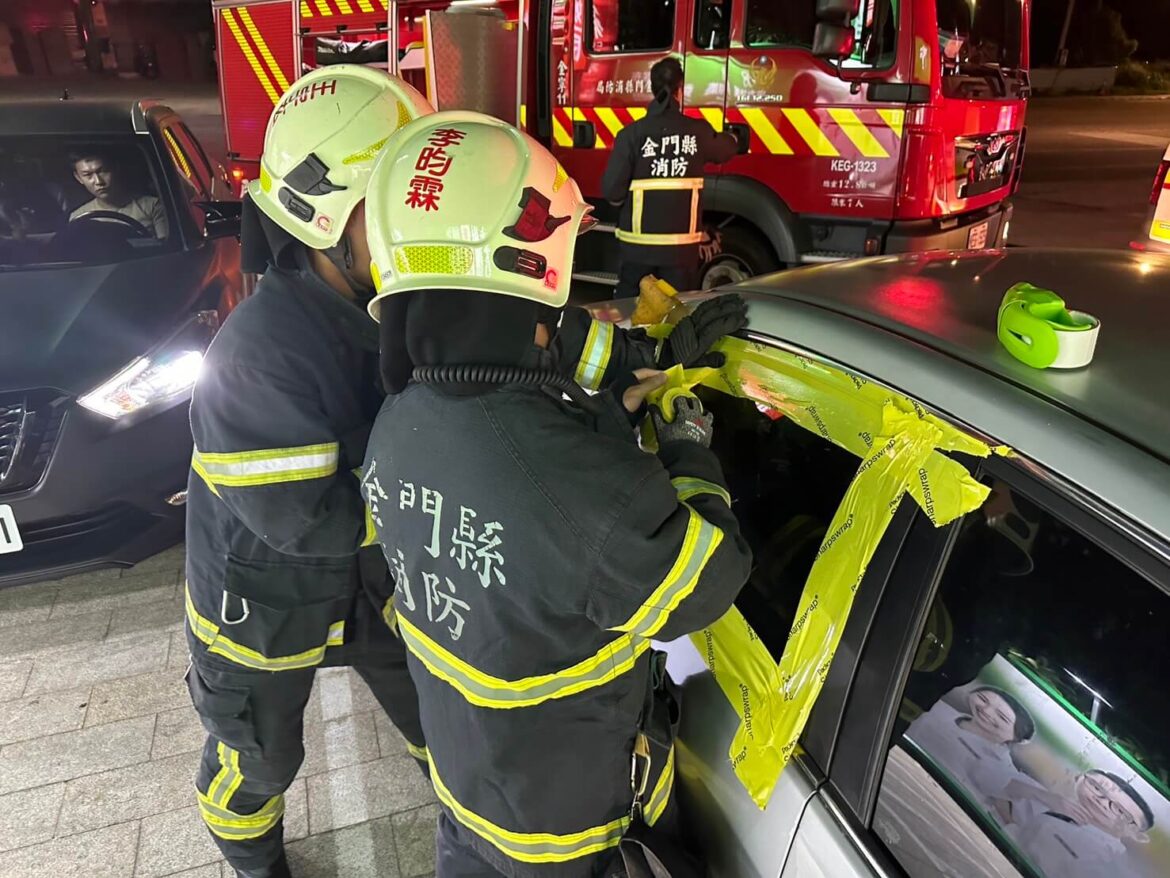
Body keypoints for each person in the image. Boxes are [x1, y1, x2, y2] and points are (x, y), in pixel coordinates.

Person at [361, 110, 753, 878]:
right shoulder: (573, 487)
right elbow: (708, 579)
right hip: (562, 831)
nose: (560, 318)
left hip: (467, 788)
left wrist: (623, 393)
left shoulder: (398, 421)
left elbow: (521, 469)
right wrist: (687, 446)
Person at [183, 65, 434, 878]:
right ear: (325, 214)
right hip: (263, 599)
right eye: (390, 203)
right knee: (258, 758)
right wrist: (452, 489)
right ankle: (252, 857)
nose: (414, 222)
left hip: (373, 583)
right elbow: (311, 520)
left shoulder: (396, 301)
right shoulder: (258, 356)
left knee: (445, 721)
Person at [601, 57, 739, 299]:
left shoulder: (631, 135)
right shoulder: (697, 132)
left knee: (631, 311)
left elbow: (612, 190)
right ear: (680, 89)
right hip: (680, 254)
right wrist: (734, 138)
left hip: (637, 251)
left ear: (653, 89)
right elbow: (725, 149)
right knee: (676, 312)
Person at [999, 769, 1154, 877]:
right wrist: (1044, 797)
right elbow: (1001, 790)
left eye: (1120, 811)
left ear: (1138, 835)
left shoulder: (1111, 862)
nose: (1102, 803)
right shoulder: (1059, 805)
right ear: (1079, 778)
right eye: (1096, 788)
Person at [905, 685, 1035, 812]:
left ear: (1019, 738)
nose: (986, 711)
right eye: (983, 699)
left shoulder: (1005, 772)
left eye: (1002, 717)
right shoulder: (937, 709)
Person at [69, 148, 169, 238]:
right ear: (78, 178)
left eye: (103, 171)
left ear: (115, 168)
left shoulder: (152, 206)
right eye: (88, 175)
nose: (98, 181)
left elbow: (167, 247)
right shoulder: (78, 217)